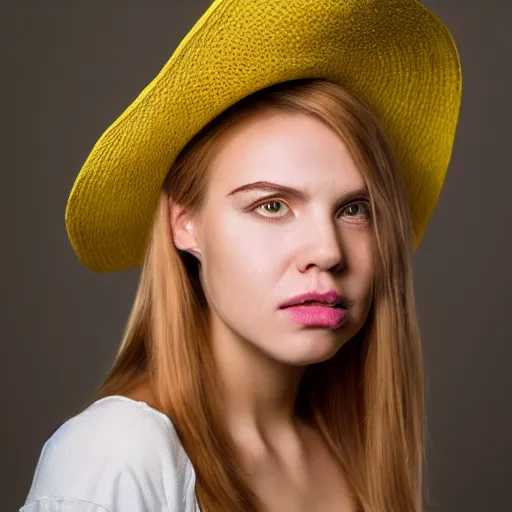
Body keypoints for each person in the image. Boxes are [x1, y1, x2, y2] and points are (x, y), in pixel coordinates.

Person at [20, 0, 462, 511]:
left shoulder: (352, 447)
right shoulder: (116, 456)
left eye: (354, 209)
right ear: (184, 224)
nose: (327, 250)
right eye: (272, 205)